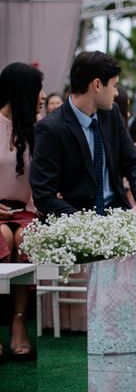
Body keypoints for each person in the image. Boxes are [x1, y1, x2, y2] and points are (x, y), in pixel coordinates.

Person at [30, 51, 136, 217]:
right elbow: (44, 195)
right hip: (78, 224)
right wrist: (86, 223)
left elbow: (134, 162)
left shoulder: (112, 113)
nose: (116, 93)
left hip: (120, 216)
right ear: (97, 85)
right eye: (113, 85)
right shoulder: (51, 128)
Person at [0, 62, 45, 358]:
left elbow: (44, 180)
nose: (42, 96)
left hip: (28, 211)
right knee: (1, 235)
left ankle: (19, 323)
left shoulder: (38, 132)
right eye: (37, 90)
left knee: (26, 237)